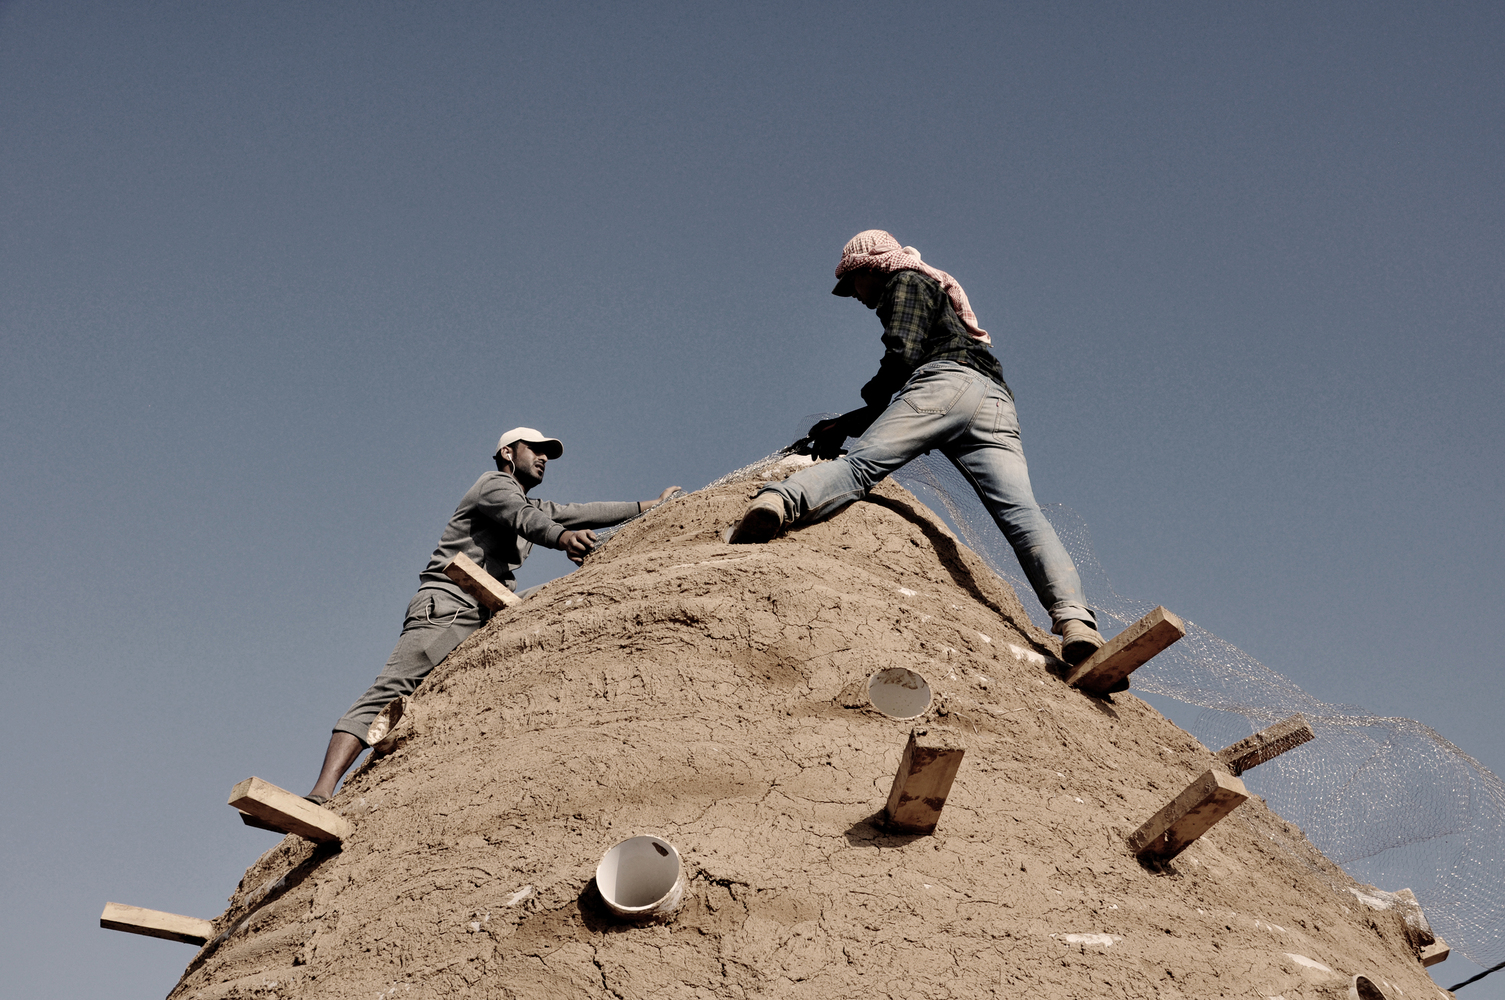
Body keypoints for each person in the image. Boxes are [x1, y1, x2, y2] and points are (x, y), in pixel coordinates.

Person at [728, 230, 1107, 666]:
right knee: (1022, 514)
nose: (852, 294)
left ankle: (778, 501)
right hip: (995, 403)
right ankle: (1076, 623)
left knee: (861, 467)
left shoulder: (903, 280)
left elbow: (903, 355)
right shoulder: (932, 290)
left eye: (852, 282)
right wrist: (848, 421)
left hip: (945, 383)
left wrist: (856, 414)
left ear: (870, 268)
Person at [306, 427, 680, 802]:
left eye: (546, 452)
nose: (543, 457)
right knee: (392, 687)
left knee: (556, 600)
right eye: (534, 448)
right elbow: (524, 519)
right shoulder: (493, 486)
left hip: (483, 613)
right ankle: (322, 791)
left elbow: (578, 512)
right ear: (507, 452)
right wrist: (563, 538)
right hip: (450, 604)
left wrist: (649, 505)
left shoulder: (532, 505)